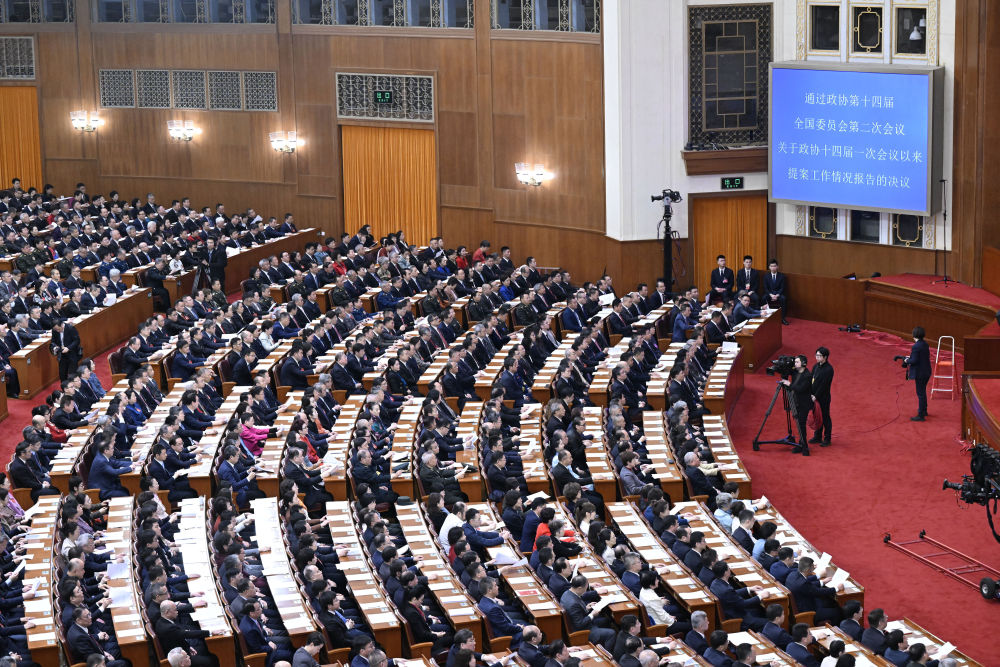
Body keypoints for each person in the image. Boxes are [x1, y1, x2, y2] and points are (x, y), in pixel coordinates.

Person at [780, 355, 813, 456]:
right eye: (795, 362)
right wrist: (783, 366)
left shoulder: (808, 375)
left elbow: (801, 389)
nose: (795, 363)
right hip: (796, 401)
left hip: (804, 403)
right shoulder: (795, 371)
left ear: (803, 363)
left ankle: (804, 446)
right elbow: (785, 373)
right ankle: (800, 444)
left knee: (801, 424)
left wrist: (789, 384)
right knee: (798, 422)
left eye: (797, 362)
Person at [904, 326, 931, 421]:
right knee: (923, 391)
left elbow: (914, 360)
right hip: (927, 371)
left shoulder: (916, 346)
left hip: (920, 373)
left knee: (920, 393)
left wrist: (907, 360)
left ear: (914, 335)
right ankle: (924, 410)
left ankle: (921, 415)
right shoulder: (925, 344)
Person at [810, 346, 834, 446]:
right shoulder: (816, 366)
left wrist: (815, 396)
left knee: (825, 417)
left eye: (819, 356)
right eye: (816, 355)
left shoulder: (829, 369)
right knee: (817, 417)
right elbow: (811, 379)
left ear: (825, 357)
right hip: (813, 396)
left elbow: (824, 385)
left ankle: (827, 438)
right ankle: (817, 436)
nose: (817, 357)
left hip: (823, 398)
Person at [763, 259, 789, 325]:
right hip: (770, 293)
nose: (773, 268)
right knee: (763, 298)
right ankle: (764, 318)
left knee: (783, 299)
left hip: (778, 294)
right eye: (771, 266)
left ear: (777, 267)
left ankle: (782, 318)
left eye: (774, 266)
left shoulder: (782, 276)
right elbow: (765, 288)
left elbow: (782, 288)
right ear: (769, 267)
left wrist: (777, 295)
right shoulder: (766, 276)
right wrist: (771, 295)